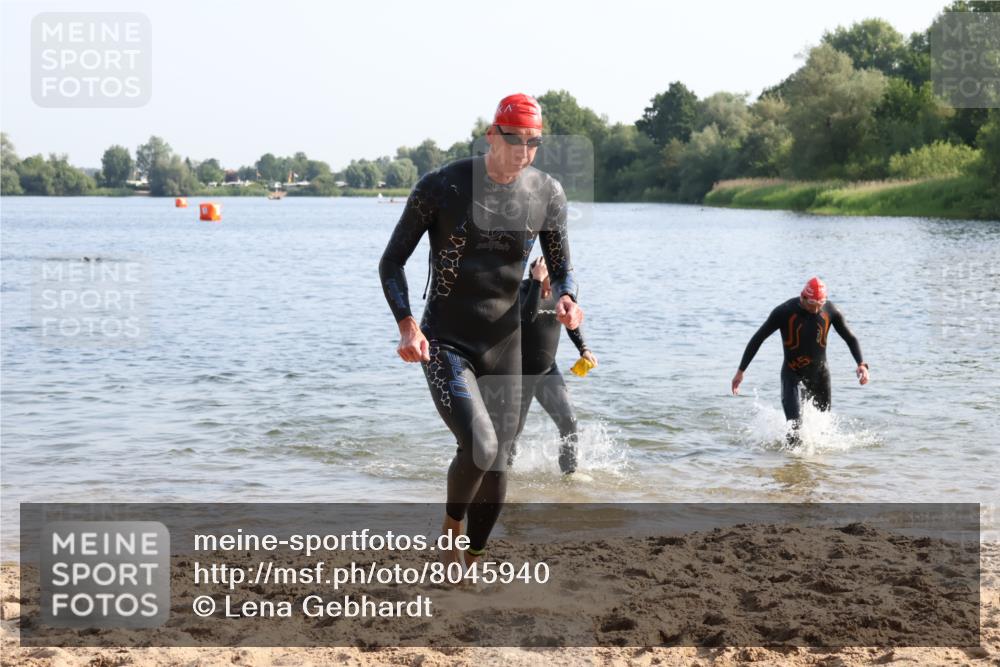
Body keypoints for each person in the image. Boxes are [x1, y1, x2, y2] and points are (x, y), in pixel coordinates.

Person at [379, 93, 584, 568]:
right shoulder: (444, 186)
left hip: (504, 344)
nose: (524, 152)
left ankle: (472, 558)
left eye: (535, 143)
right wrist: (408, 325)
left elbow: (563, 268)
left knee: (499, 462)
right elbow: (391, 261)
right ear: (492, 135)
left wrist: (569, 299)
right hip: (445, 339)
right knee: (482, 445)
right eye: (515, 140)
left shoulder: (546, 193)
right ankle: (452, 526)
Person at [731, 277, 869, 443]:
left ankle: (815, 466)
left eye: (820, 304)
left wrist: (861, 364)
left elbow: (850, 338)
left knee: (823, 430)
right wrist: (741, 371)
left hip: (820, 375)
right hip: (792, 375)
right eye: (813, 304)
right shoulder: (784, 312)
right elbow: (758, 338)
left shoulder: (831, 311)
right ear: (803, 297)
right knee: (794, 428)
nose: (817, 309)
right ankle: (791, 466)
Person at [513, 256, 597, 475]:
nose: (555, 283)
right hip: (519, 375)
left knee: (569, 422)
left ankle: (569, 474)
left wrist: (584, 349)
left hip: (547, 371)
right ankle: (501, 478)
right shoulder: (521, 291)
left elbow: (572, 323)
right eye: (549, 276)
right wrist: (536, 283)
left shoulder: (560, 297)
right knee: (512, 434)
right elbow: (527, 316)